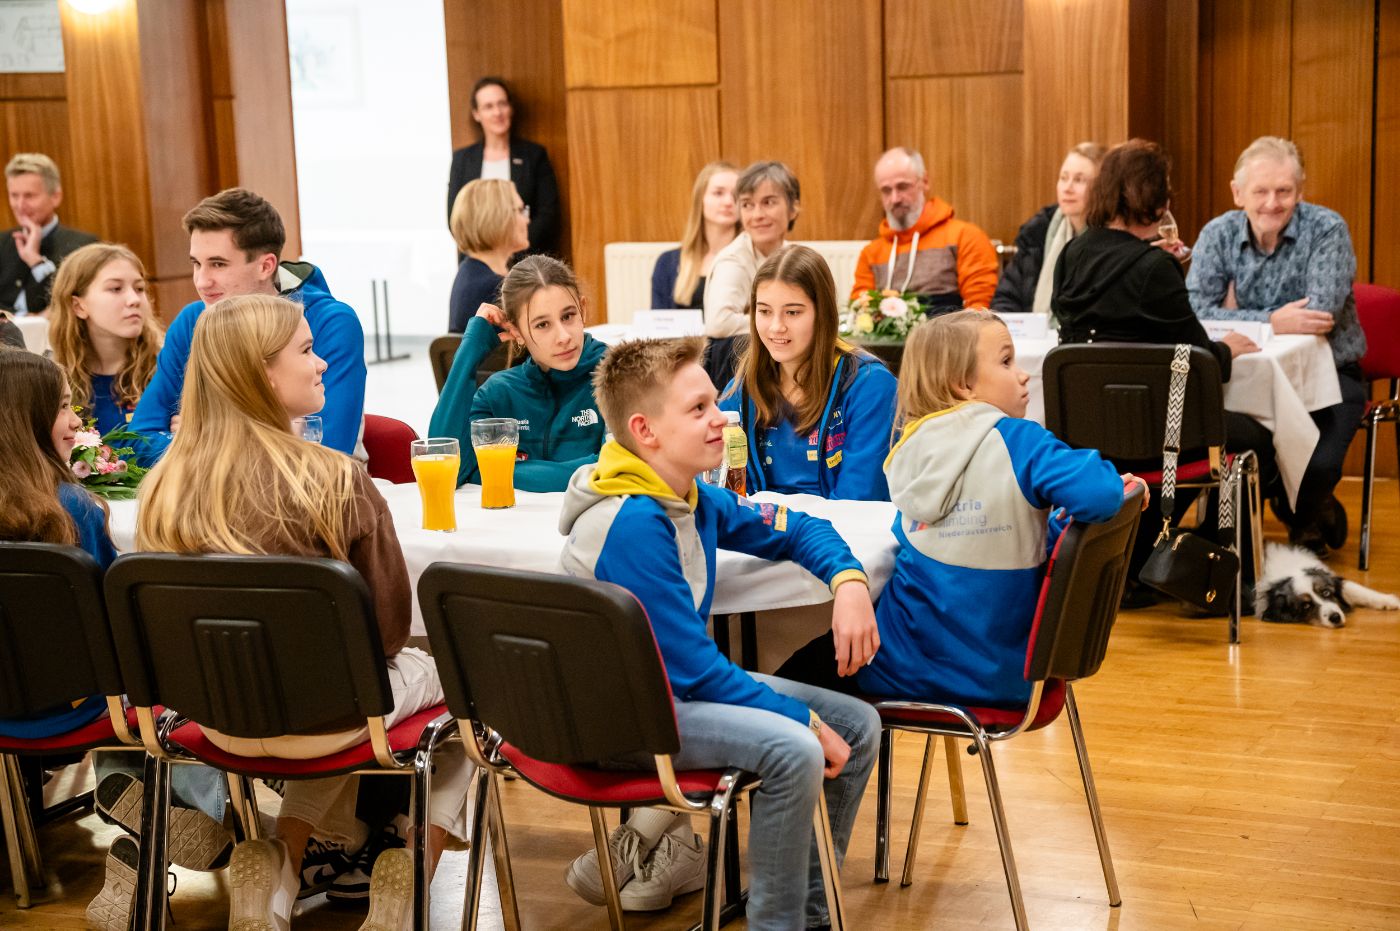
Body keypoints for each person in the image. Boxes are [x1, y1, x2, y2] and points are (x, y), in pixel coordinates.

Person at [135, 294, 472, 930]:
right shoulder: (335, 479)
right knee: (460, 679)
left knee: (321, 686)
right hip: (332, 720)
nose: (322, 364)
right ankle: (410, 873)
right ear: (262, 374)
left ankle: (282, 866)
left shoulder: (163, 487)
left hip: (214, 720)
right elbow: (388, 634)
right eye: (308, 350)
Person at [558, 336, 881, 926]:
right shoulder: (633, 522)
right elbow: (694, 671)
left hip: (670, 697)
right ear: (646, 431)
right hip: (620, 720)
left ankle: (809, 914)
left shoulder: (688, 496)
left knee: (856, 725)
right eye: (699, 409)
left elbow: (796, 527)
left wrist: (849, 580)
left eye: (715, 402)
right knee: (795, 747)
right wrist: (802, 720)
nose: (721, 418)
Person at [783, 312, 1138, 705]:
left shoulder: (908, 449)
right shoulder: (1022, 443)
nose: (1023, 375)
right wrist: (1109, 488)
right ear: (964, 385)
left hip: (903, 662)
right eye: (1006, 362)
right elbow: (1102, 496)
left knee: (781, 677)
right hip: (1002, 672)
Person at [1053, 139, 1271, 605]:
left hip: (1090, 432)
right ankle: (1203, 571)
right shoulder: (1154, 268)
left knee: (1180, 438)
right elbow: (1199, 361)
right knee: (1254, 437)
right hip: (1162, 435)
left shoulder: (1071, 256)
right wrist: (1228, 349)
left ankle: (1139, 559)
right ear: (1155, 199)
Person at [1188, 136, 1365, 557]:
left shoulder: (1327, 229)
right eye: (1260, 191)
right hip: (1245, 378)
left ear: (1300, 191)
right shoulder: (1217, 233)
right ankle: (1300, 507)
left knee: (1318, 465)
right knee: (1249, 451)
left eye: (1284, 191)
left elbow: (1321, 312)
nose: (1272, 203)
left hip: (1329, 374)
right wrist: (1272, 320)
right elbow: (1195, 312)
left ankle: (1303, 507)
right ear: (1238, 193)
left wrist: (1234, 313)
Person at [127, 187, 366, 466]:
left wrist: (200, 435)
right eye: (196, 264)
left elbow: (326, 450)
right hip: (210, 485)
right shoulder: (193, 320)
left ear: (266, 266)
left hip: (323, 487)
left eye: (218, 264)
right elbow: (136, 442)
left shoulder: (330, 323)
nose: (202, 282)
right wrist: (229, 441)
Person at [719, 245, 897, 500]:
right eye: (765, 311)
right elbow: (721, 493)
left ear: (823, 314)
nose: (776, 327)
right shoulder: (741, 391)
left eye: (792, 312)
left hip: (842, 524)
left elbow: (859, 500)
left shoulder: (871, 386)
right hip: (761, 524)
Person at [429, 255, 607, 489]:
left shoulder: (618, 375)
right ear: (517, 332)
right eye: (542, 324)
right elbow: (444, 468)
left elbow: (614, 471)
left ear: (582, 310)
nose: (563, 336)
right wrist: (469, 351)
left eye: (568, 316)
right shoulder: (499, 392)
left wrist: (490, 472)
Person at [851, 147, 998, 311]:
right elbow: (860, 311)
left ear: (925, 182)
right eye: (886, 190)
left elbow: (980, 309)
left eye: (903, 187)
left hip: (949, 327)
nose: (895, 199)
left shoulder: (965, 237)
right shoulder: (870, 254)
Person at [703, 160, 801, 389]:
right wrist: (780, 322)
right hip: (734, 367)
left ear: (793, 208)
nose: (757, 215)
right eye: (747, 204)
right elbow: (719, 323)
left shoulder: (794, 255)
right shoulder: (733, 260)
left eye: (768, 202)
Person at [47, 243, 163, 436]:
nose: (134, 299)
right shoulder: (51, 379)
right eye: (116, 289)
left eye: (139, 288)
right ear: (78, 306)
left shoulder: (170, 366)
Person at [447, 76, 561, 257]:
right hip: (478, 259)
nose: (497, 112)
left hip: (524, 259)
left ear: (511, 108)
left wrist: (512, 251)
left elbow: (547, 214)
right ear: (476, 114)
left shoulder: (534, 155)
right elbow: (455, 216)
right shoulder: (463, 159)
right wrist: (489, 256)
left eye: (502, 104)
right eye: (488, 106)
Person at [991, 142, 1106, 315]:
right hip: (1032, 332)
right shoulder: (1037, 232)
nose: (1067, 188)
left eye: (1079, 180)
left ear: (1102, 188)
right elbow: (1006, 297)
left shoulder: (1110, 239)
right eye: (1063, 178)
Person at [1, 153, 99, 315]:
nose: (20, 205)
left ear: (55, 196)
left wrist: (36, 261)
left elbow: (71, 301)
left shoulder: (84, 246)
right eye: (14, 195)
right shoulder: (2, 241)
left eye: (29, 196)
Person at [650, 161, 739, 309]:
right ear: (700, 200)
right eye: (718, 193)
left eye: (736, 194)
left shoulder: (753, 260)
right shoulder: (667, 262)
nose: (729, 202)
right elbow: (658, 320)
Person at [447, 178, 530, 333]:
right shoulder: (493, 287)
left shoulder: (470, 271)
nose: (527, 220)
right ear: (498, 217)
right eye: (520, 210)